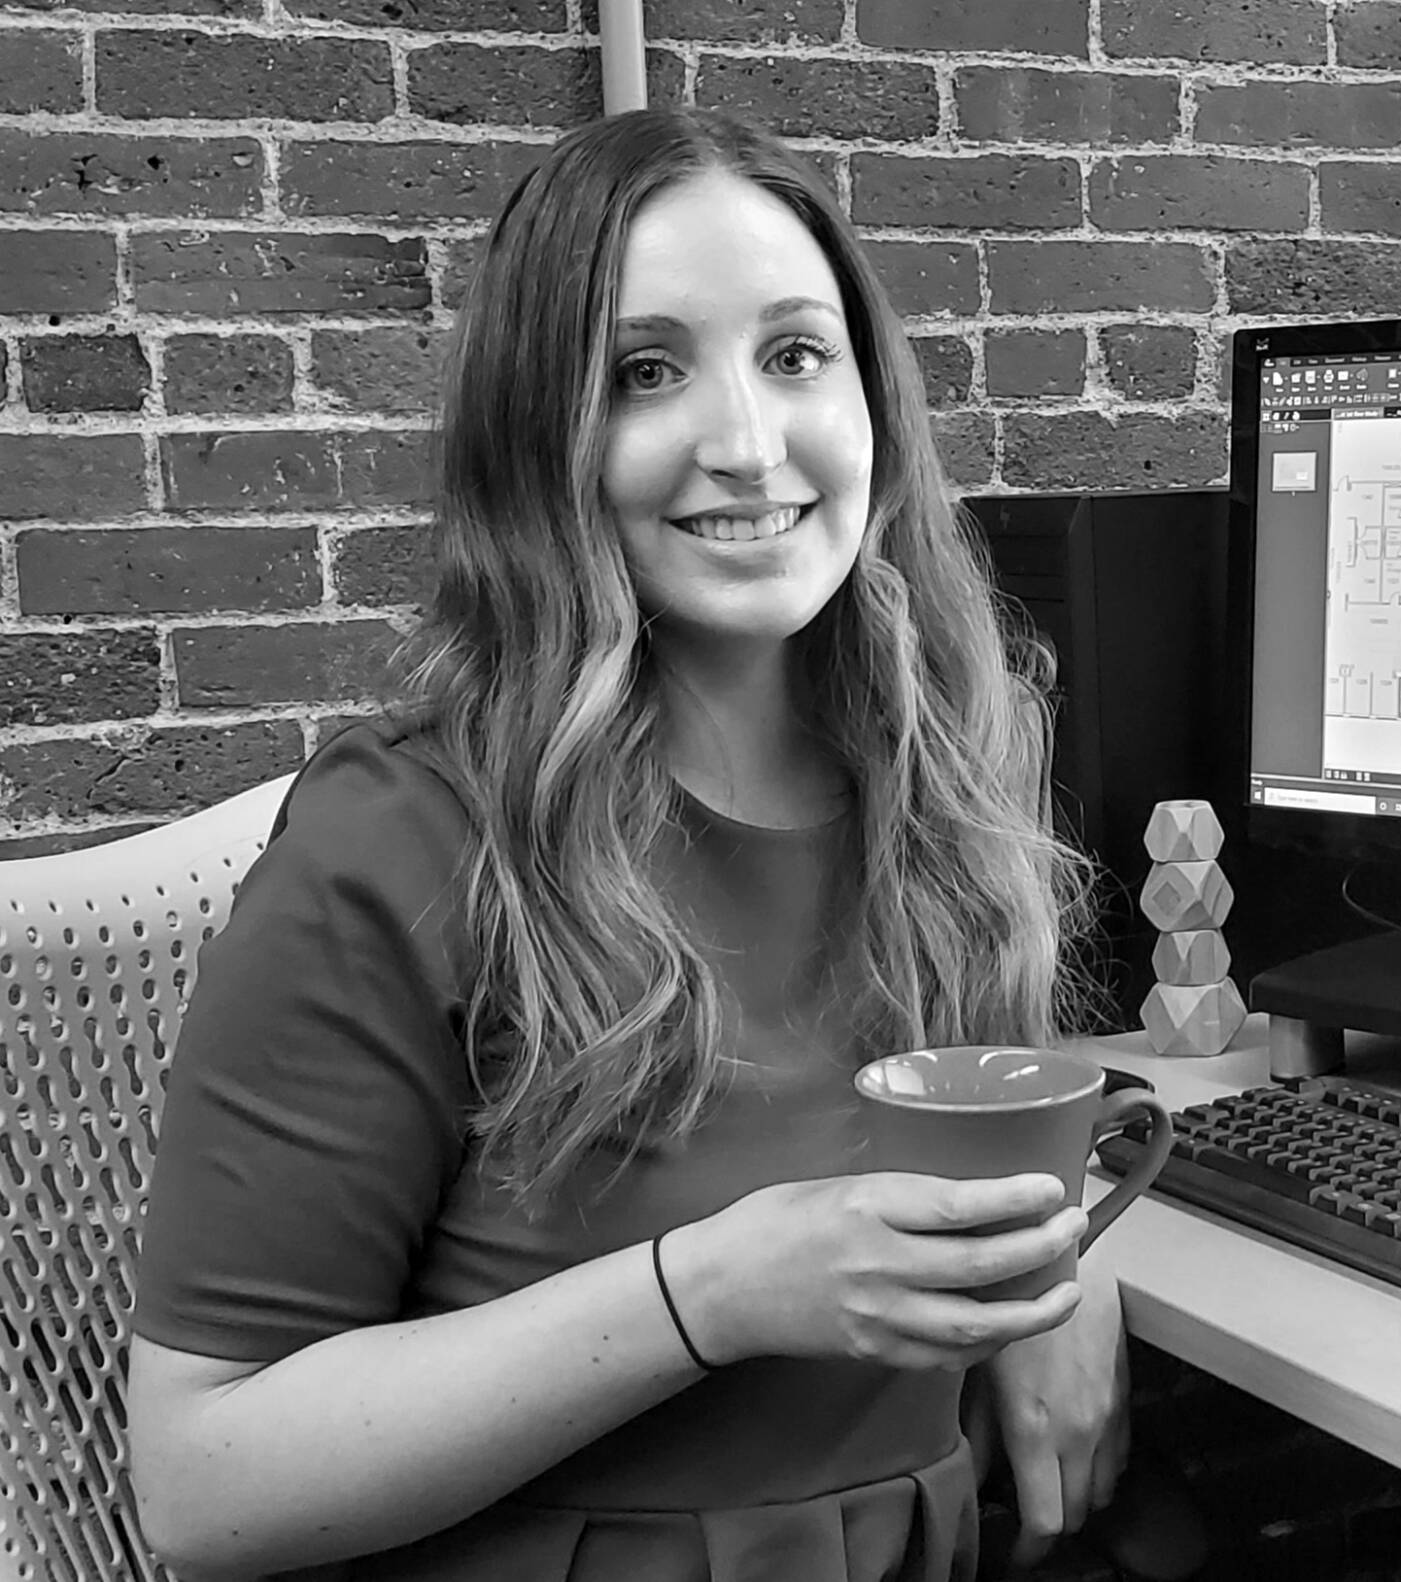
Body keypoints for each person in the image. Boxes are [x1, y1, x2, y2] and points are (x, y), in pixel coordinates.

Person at [125, 107, 1123, 1582]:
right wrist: (710, 1291)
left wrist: (1073, 1276)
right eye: (645, 372)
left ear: (873, 404)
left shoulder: (947, 782)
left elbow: (984, 1127)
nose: (745, 442)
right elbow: (202, 1484)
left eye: (796, 356)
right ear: (546, 439)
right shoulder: (396, 845)